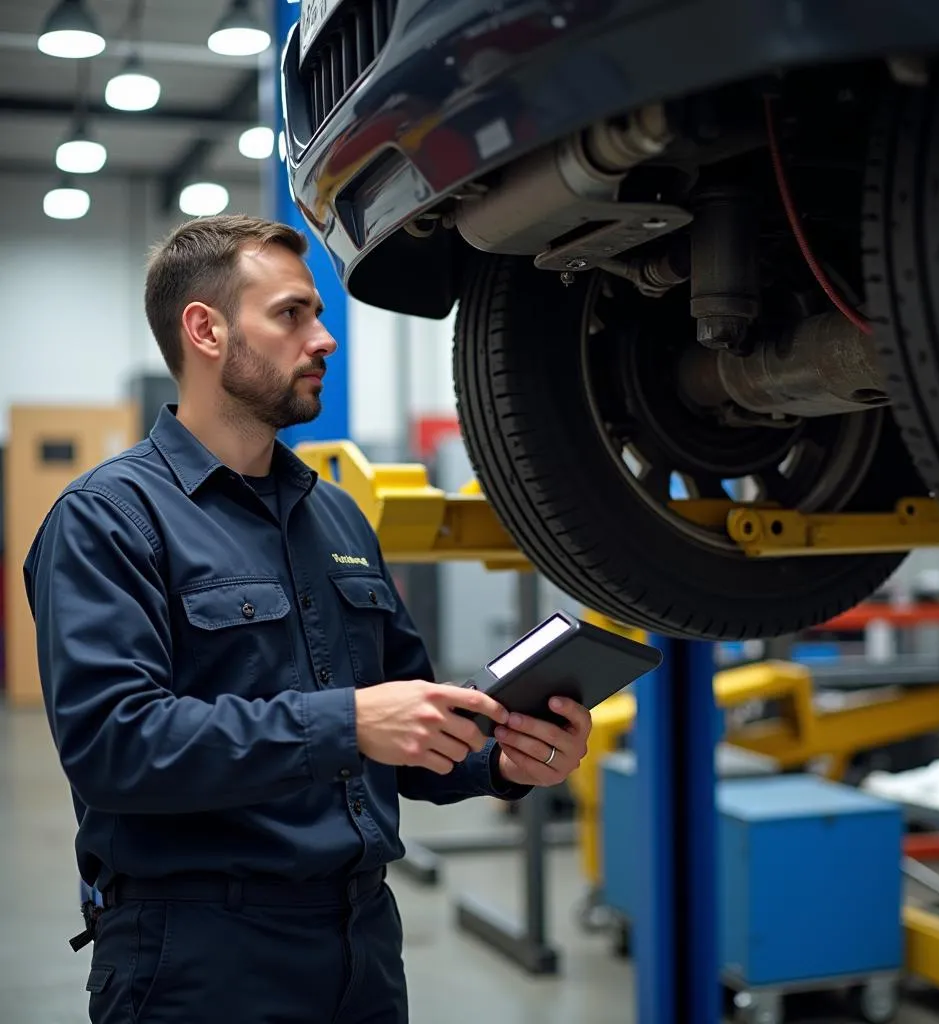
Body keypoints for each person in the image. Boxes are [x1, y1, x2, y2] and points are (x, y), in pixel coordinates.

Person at [23, 214, 592, 1024]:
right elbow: (114, 746)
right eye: (292, 314)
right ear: (206, 329)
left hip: (362, 947)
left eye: (319, 315)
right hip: (200, 961)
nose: (324, 340)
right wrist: (349, 722)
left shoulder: (336, 519)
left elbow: (403, 732)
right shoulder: (109, 520)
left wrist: (503, 758)